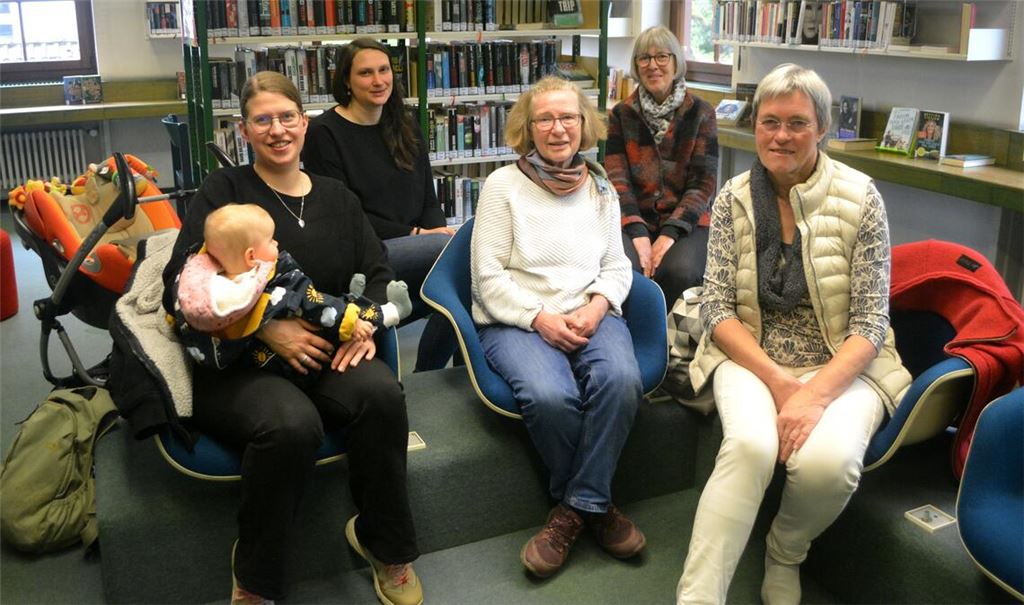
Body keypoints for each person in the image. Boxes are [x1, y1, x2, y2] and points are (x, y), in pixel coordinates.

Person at [161, 71, 423, 605]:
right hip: (240, 358)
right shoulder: (224, 192)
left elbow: (377, 273)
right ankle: (256, 577)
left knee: (381, 397)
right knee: (290, 426)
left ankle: (383, 544)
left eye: (287, 118)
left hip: (327, 348)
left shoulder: (338, 197)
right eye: (263, 120)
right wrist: (267, 325)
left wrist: (365, 323)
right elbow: (181, 286)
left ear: (304, 123)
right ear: (243, 129)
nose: (277, 130)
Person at [677, 63, 912, 605]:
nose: (780, 136)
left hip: (844, 361)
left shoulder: (862, 198)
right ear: (755, 124)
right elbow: (717, 305)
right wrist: (782, 384)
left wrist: (814, 395)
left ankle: (785, 552)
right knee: (751, 447)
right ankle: (697, 597)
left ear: (822, 128)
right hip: (753, 355)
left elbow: (872, 322)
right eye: (769, 121)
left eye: (798, 123)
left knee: (828, 465)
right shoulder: (734, 197)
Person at [471, 76, 647, 578]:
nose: (557, 128)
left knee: (621, 381)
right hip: (519, 318)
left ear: (584, 123)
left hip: (589, 311)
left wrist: (595, 308)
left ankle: (573, 510)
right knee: (550, 397)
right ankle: (598, 507)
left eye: (568, 117)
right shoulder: (502, 186)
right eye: (544, 118)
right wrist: (540, 318)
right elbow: (487, 278)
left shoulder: (600, 187)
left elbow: (617, 267)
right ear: (528, 128)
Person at [302, 37, 457, 372]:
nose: (378, 81)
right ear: (346, 80)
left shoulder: (404, 123)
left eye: (384, 70)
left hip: (418, 244)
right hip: (363, 251)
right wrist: (422, 235)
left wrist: (433, 229)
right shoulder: (324, 133)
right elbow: (345, 215)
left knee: (462, 278)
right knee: (458, 258)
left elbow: (428, 197)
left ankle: (431, 374)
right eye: (365, 73)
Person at [172, 203, 413, 378]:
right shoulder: (272, 280)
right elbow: (316, 304)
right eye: (271, 240)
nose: (276, 244)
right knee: (341, 311)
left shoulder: (218, 291)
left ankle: (354, 298)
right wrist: (351, 322)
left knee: (378, 391)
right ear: (251, 256)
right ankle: (389, 312)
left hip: (258, 362)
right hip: (313, 350)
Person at [605, 25, 718, 306]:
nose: (653, 65)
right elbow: (617, 180)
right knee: (626, 269)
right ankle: (635, 337)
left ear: (675, 61)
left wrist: (670, 233)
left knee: (679, 271)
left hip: (687, 223)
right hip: (635, 220)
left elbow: (703, 184)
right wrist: (638, 232)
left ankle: (672, 344)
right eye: (644, 58)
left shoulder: (701, 113)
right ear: (636, 65)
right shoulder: (622, 114)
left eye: (661, 57)